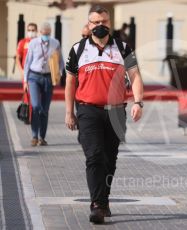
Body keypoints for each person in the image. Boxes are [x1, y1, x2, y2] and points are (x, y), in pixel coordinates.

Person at [65, 5, 144, 224]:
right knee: (95, 156)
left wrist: (138, 102)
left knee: (110, 159)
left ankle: (104, 199)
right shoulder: (78, 49)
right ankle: (97, 205)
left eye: (104, 22)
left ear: (110, 24)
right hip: (88, 110)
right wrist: (69, 112)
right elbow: (70, 82)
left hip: (116, 112)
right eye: (95, 22)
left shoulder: (123, 48)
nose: (100, 26)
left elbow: (135, 76)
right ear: (89, 25)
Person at [23, 22, 64, 146]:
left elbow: (60, 61)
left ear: (50, 33)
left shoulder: (55, 43)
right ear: (40, 33)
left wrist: (59, 74)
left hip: (48, 77)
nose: (46, 35)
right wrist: (25, 80)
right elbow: (27, 63)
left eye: (48, 34)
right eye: (44, 34)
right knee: (35, 106)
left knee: (45, 109)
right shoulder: (33, 43)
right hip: (34, 77)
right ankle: (34, 136)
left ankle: (42, 137)